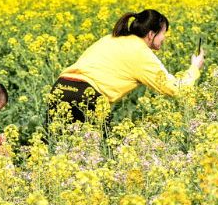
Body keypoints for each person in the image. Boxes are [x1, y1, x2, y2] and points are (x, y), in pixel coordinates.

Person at [48, 9, 205, 127]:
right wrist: (194, 68)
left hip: (60, 88)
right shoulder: (141, 52)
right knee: (98, 153)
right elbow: (176, 89)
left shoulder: (110, 38)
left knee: (56, 146)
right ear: (151, 34)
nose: (165, 38)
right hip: (88, 96)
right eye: (164, 33)